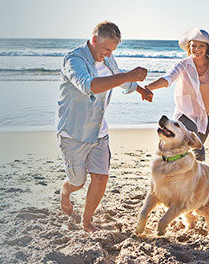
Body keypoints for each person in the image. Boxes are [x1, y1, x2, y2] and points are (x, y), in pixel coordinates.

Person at [56, 21, 153, 232]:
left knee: (101, 178)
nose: (109, 54)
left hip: (99, 130)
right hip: (74, 133)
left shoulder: (108, 59)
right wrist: (128, 75)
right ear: (94, 40)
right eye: (106, 49)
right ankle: (65, 190)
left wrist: (140, 90)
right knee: (78, 182)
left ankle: (86, 221)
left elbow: (119, 79)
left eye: (113, 50)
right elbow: (89, 86)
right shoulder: (74, 60)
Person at [145, 28, 209, 161]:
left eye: (201, 46)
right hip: (186, 113)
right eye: (193, 45)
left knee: (192, 150)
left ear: (207, 48)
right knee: (198, 152)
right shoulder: (183, 65)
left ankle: (185, 176)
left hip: (206, 115)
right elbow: (168, 78)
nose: (197, 49)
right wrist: (150, 87)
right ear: (189, 47)